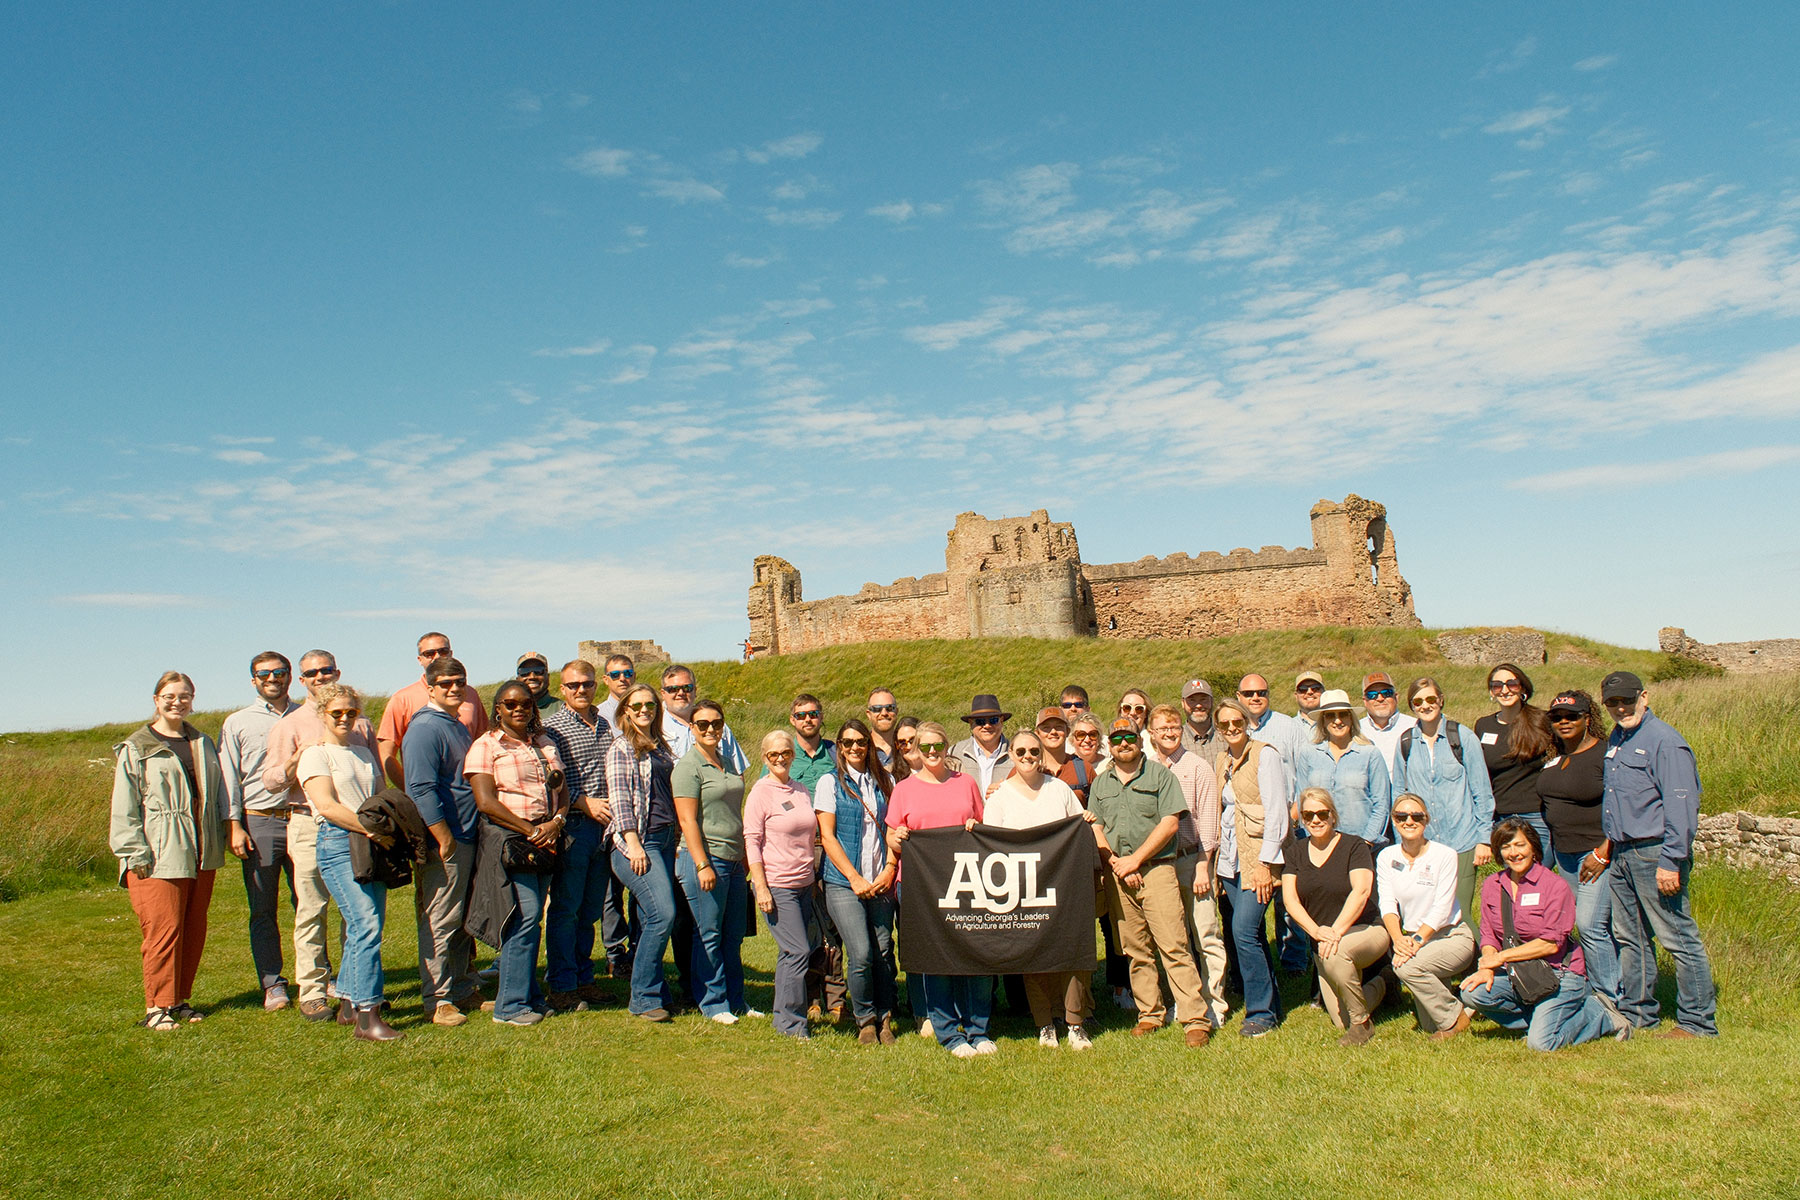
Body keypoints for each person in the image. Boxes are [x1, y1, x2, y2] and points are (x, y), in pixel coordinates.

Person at [1599, 670, 1717, 1038]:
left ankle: (1697, 1023)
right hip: (1622, 852)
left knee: (1678, 938)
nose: (1621, 708)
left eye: (1628, 700)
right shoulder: (1617, 738)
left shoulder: (1665, 741)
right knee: (1630, 936)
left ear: (1644, 697)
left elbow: (1682, 804)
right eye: (1613, 703)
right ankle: (1638, 1014)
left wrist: (1672, 860)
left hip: (1655, 853)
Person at [110, 671, 230, 1032]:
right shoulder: (138, 746)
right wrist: (135, 852)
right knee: (164, 932)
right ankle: (156, 1006)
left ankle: (178, 1000)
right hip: (158, 854)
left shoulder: (202, 743)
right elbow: (124, 807)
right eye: (170, 695)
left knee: (193, 929)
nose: (177, 701)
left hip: (200, 852)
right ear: (156, 699)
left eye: (184, 695)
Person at [261, 649, 376, 1020]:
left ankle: (351, 988)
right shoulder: (290, 725)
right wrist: (297, 759)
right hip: (311, 820)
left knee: (355, 911)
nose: (319, 677)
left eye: (325, 670)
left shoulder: (359, 723)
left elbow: (374, 773)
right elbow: (271, 780)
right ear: (302, 679)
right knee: (312, 907)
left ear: (336, 671)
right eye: (311, 673)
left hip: (360, 825)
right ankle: (311, 989)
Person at [1089, 718, 1213, 1048]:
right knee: (1134, 949)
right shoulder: (1101, 784)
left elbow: (1171, 823)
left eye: (1130, 737)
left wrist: (1137, 859)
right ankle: (1149, 1013)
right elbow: (1096, 828)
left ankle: (1194, 1018)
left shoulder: (1161, 776)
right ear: (1110, 745)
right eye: (1117, 739)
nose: (1123, 743)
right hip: (1118, 875)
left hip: (1157, 870)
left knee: (1173, 944)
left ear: (1140, 742)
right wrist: (1117, 863)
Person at [1460, 820, 1628, 1050]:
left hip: (1559, 974)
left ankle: (1599, 1012)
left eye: (1520, 845)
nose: (1514, 853)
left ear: (1533, 847)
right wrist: (1487, 967)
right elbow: (1489, 934)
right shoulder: (1493, 884)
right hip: (1519, 974)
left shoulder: (1554, 886)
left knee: (1541, 1044)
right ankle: (1540, 1020)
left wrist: (1500, 958)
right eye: (1506, 847)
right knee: (1472, 993)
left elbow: (1551, 944)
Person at [297, 682, 404, 1041]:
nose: (344, 718)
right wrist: (371, 831)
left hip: (370, 844)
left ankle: (347, 1003)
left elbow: (376, 798)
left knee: (368, 924)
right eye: (336, 713)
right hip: (339, 842)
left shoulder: (362, 752)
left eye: (351, 712)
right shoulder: (316, 755)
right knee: (366, 925)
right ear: (322, 714)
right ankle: (368, 1015)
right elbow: (326, 805)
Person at [979, 727, 1093, 1049]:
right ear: (1012, 755)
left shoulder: (1059, 789)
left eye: (1034, 752)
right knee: (1035, 957)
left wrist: (1088, 821)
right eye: (1021, 752)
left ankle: (1075, 1022)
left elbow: (1078, 828)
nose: (1028, 757)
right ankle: (1045, 1023)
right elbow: (993, 846)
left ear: (1041, 755)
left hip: (1064, 885)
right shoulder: (1000, 797)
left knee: (1073, 953)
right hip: (1023, 890)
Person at [466, 679, 569, 1026]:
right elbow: (486, 801)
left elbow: (563, 790)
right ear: (498, 708)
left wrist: (555, 821)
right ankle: (508, 1006)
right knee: (522, 919)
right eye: (510, 704)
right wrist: (531, 831)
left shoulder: (545, 743)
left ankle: (530, 996)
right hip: (511, 837)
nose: (518, 709)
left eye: (525, 703)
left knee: (533, 919)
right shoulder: (486, 745)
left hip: (546, 835)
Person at [886, 722, 991, 1057]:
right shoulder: (904, 788)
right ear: (915, 748)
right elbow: (891, 836)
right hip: (920, 886)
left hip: (965, 882)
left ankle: (978, 1028)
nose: (933, 753)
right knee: (936, 957)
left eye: (939, 746)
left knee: (973, 955)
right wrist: (898, 837)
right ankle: (948, 1031)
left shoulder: (966, 784)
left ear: (948, 747)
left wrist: (976, 827)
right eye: (926, 746)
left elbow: (982, 825)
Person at [402, 655, 484, 1026]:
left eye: (459, 682)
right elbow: (420, 787)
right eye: (445, 683)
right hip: (447, 839)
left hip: (467, 834)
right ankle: (437, 998)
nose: (454, 688)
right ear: (430, 686)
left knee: (462, 918)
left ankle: (464, 988)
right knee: (440, 918)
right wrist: (442, 836)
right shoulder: (424, 728)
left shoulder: (455, 724)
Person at [217, 651, 298, 1011]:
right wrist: (234, 826)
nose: (272, 678)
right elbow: (228, 778)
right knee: (263, 907)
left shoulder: (306, 715)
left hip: (302, 818)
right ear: (253, 680)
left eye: (279, 672)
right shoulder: (237, 722)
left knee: (310, 903)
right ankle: (273, 983)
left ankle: (319, 976)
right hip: (259, 819)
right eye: (263, 673)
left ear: (289, 676)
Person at [1280, 788, 1389, 1046]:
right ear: (1302, 820)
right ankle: (1386, 982)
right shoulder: (1295, 852)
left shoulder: (1354, 846)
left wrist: (1336, 932)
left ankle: (1362, 1025)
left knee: (1338, 954)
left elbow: (1361, 892)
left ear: (1332, 815)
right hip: (1324, 940)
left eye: (1322, 813)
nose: (1315, 820)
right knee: (1340, 1020)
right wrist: (1317, 932)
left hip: (1366, 930)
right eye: (1308, 815)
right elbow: (1290, 900)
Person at [541, 659, 619, 1014]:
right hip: (574, 825)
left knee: (590, 910)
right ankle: (562, 984)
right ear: (562, 689)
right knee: (566, 909)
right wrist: (582, 803)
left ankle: (585, 978)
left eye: (587, 684)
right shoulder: (552, 727)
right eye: (573, 686)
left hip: (604, 829)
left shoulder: (605, 725)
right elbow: (550, 780)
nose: (581, 691)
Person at [816, 718, 899, 1045]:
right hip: (843, 883)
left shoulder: (886, 780)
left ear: (868, 745)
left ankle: (885, 1016)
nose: (854, 748)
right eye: (847, 743)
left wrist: (889, 867)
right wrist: (854, 878)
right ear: (840, 747)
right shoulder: (829, 782)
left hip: (880, 879)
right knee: (861, 952)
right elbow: (828, 836)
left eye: (860, 742)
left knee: (882, 949)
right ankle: (865, 1018)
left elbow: (893, 827)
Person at [1145, 704, 1229, 1029]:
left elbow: (1209, 821)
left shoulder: (1197, 768)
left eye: (1174, 727)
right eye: (1162, 728)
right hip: (1160, 866)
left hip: (1193, 859)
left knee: (1206, 934)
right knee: (1174, 939)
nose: (1169, 733)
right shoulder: (1147, 769)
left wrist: (1203, 866)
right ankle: (1187, 1001)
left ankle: (1215, 1004)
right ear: (1151, 733)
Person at [1211, 697, 1289, 1037]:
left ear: (1247, 723)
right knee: (1251, 934)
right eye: (1224, 725)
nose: (1231, 729)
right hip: (1229, 860)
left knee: (1244, 931)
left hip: (1256, 858)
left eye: (1237, 723)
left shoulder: (1265, 755)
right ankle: (1273, 1002)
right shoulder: (1221, 759)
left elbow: (1277, 814)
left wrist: (1265, 865)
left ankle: (1260, 1013)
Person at [1393, 676, 1494, 934]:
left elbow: (1481, 791)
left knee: (1460, 913)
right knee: (1426, 913)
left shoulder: (1462, 737)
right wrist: (1401, 841)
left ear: (1440, 700)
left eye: (1430, 699)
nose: (1425, 705)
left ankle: (1482, 965)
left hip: (1461, 841)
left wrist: (1484, 839)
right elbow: (1399, 795)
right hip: (1422, 844)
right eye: (1418, 701)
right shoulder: (1406, 742)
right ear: (1411, 706)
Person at [1537, 689, 1618, 1007]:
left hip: (1594, 855)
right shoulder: (1555, 758)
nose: (1564, 721)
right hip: (1564, 855)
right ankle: (1586, 985)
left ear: (1588, 718)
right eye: (1557, 717)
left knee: (1591, 925)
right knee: (1573, 925)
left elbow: (1621, 807)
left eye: (1572, 716)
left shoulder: (1606, 755)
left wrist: (1603, 851)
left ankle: (1611, 998)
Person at [672, 698, 751, 1024]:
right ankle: (713, 1002)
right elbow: (687, 820)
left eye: (716, 723)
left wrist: (745, 855)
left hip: (733, 859)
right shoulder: (688, 767)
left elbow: (735, 811)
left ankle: (737, 1000)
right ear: (692, 728)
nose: (710, 729)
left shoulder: (728, 762)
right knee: (709, 934)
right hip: (705, 859)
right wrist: (702, 863)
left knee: (733, 936)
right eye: (702, 724)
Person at [605, 683, 681, 1022]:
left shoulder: (661, 748)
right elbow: (620, 798)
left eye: (649, 704)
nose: (644, 710)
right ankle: (644, 997)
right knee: (662, 914)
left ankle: (657, 990)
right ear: (625, 711)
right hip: (638, 841)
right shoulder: (622, 748)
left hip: (666, 840)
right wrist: (632, 842)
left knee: (649, 918)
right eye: (636, 706)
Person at [1377, 793, 1479, 1039]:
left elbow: (1443, 908)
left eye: (1416, 816)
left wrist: (1417, 942)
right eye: (1402, 816)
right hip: (1413, 939)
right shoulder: (1386, 857)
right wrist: (1398, 940)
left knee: (1406, 968)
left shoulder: (1444, 855)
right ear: (1394, 820)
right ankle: (1465, 1004)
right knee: (1429, 1026)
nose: (1409, 821)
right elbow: (1388, 904)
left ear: (1426, 820)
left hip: (1451, 936)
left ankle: (1458, 1018)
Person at [745, 730, 820, 1041]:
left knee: (793, 952)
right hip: (778, 885)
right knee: (797, 950)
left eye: (785, 753)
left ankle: (784, 1015)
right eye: (773, 754)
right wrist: (761, 887)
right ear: (764, 757)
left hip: (805, 884)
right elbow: (752, 840)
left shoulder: (800, 789)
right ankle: (791, 1023)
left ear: (793, 755)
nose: (779, 758)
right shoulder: (761, 793)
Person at [1238, 672, 1308, 972]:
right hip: (1249, 829)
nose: (1256, 697)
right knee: (1254, 897)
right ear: (1239, 697)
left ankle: (1293, 959)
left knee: (1289, 897)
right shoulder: (1234, 728)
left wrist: (1296, 812)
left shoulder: (1288, 727)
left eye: (1262, 692)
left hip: (1290, 822)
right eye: (1250, 693)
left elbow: (1305, 770)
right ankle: (1257, 958)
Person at [376, 632, 486, 786]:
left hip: (469, 794)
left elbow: (483, 743)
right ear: (420, 660)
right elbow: (386, 754)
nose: (437, 656)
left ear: (451, 653)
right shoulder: (402, 699)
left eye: (443, 651)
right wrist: (409, 792)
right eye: (429, 653)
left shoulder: (470, 694)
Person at [1477, 663, 1555, 858]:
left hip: (1536, 817)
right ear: (1491, 692)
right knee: (1513, 881)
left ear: (1522, 687)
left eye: (1511, 684)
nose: (1504, 690)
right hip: (1501, 818)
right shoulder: (1483, 725)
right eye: (1497, 686)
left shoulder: (1541, 720)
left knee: (1535, 879)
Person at [1297, 690, 1393, 846]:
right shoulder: (1308, 753)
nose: (1337, 721)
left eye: (1343, 714)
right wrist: (1312, 837)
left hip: (1361, 843)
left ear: (1351, 718)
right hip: (1319, 843)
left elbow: (1381, 803)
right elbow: (1302, 800)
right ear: (1323, 720)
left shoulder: (1370, 753)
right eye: (1330, 716)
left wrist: (1367, 841)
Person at [949, 694, 1013, 798]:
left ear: (1001, 721)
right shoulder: (955, 753)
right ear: (970, 723)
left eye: (993, 720)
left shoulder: (1018, 753)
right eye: (980, 721)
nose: (987, 726)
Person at [1357, 672, 1415, 780]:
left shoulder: (1414, 727)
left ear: (1396, 697)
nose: (1379, 698)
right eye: (1372, 695)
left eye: (1386, 693)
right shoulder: (1356, 730)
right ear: (1365, 701)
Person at [787, 694, 836, 795]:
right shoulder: (781, 754)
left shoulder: (836, 752)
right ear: (792, 720)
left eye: (813, 714)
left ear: (821, 717)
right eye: (801, 715)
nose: (807, 719)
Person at [1179, 678, 1223, 760]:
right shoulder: (1176, 739)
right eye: (1192, 700)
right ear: (1183, 703)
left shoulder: (1225, 734)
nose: (1198, 705)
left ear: (1212, 701)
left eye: (1203, 699)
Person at [595, 653, 636, 730]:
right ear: (606, 680)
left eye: (627, 673)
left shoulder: (647, 710)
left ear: (634, 676)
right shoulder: (598, 715)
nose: (622, 678)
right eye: (615, 675)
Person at [865, 688, 901, 767]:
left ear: (896, 712)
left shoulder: (907, 746)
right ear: (868, 714)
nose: (884, 713)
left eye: (890, 708)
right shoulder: (861, 747)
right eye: (877, 709)